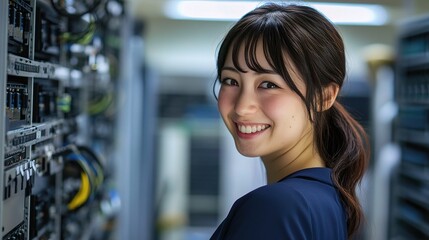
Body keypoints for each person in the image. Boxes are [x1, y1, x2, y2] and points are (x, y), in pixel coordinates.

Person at [211, 3, 369, 240]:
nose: (242, 107)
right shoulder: (325, 200)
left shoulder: (275, 207)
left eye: (269, 84)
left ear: (324, 96)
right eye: (231, 80)